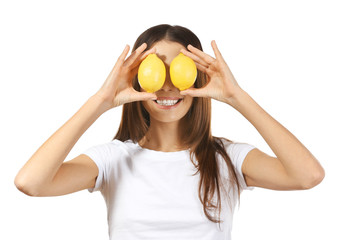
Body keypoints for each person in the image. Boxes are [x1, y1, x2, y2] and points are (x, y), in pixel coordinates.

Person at [14, 24, 325, 240]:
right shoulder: (113, 160)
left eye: (179, 69)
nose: (167, 86)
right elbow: (30, 183)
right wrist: (101, 101)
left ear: (198, 79)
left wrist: (236, 97)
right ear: (137, 80)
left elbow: (307, 175)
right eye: (155, 69)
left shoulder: (228, 159)